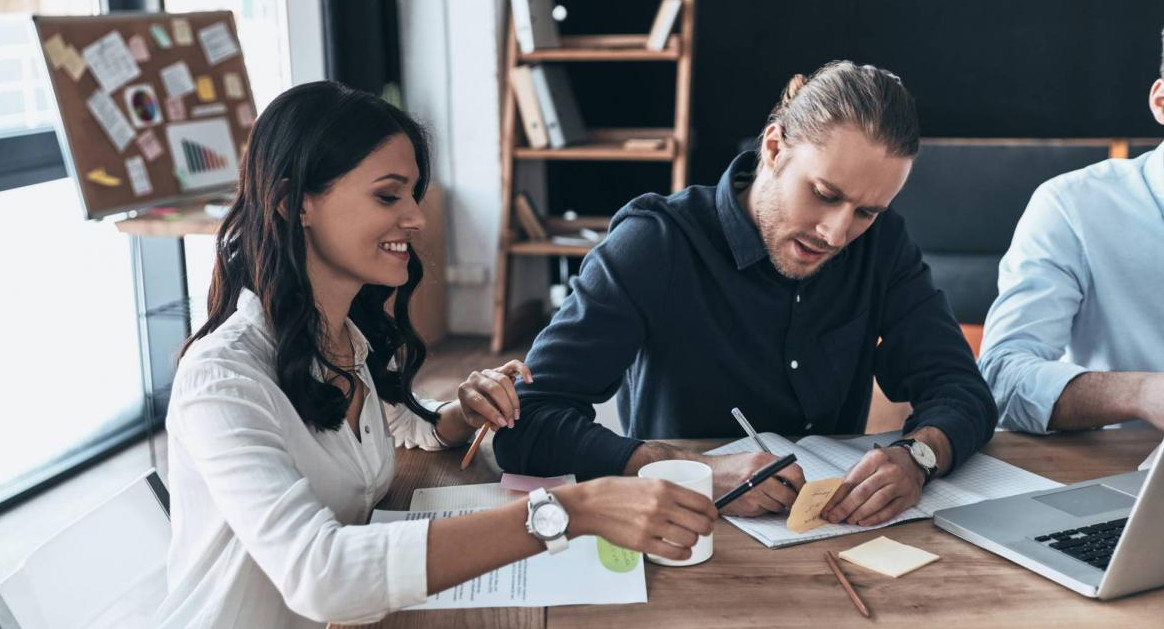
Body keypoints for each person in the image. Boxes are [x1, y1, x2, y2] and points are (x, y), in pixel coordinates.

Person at [154, 81, 717, 629]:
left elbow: (399, 426)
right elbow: (318, 572)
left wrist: (459, 414)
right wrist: (572, 510)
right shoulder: (223, 379)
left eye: (413, 194)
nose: (417, 218)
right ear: (292, 203)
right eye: (387, 195)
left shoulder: (346, 339)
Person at [494, 61, 998, 527]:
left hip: (831, 537)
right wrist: (691, 471)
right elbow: (527, 421)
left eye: (868, 212)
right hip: (682, 536)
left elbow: (962, 389)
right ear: (774, 148)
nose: (838, 233)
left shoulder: (882, 247)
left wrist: (919, 457)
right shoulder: (656, 244)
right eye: (825, 194)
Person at [977, 30, 1164, 435]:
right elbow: (1001, 379)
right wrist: (1144, 393)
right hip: (1126, 475)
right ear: (1161, 103)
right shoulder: (1072, 204)